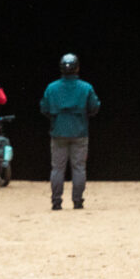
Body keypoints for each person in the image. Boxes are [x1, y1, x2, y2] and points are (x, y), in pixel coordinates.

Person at [39, 53, 99, 211]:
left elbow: (44, 108)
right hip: (79, 131)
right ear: (77, 68)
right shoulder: (86, 87)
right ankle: (78, 201)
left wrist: (56, 117)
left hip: (58, 131)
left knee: (57, 168)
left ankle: (56, 201)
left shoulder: (52, 88)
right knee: (79, 167)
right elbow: (94, 107)